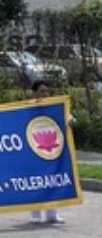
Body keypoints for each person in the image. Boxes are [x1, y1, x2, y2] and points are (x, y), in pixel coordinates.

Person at [28, 79, 66, 224]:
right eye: (41, 91)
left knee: (52, 180)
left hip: (51, 147)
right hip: (33, 146)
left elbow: (62, 118)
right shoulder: (28, 108)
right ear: (34, 93)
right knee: (36, 181)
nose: (45, 94)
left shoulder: (53, 107)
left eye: (46, 91)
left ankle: (52, 213)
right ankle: (35, 214)